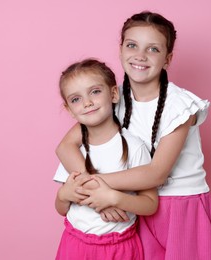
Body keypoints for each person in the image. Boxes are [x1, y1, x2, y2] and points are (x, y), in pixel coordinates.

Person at [56, 11, 211, 260]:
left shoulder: (180, 105)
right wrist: (97, 192)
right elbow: (65, 146)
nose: (140, 55)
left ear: (168, 59)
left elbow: (157, 173)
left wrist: (98, 187)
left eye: (153, 49)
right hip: (136, 207)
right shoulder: (112, 99)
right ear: (121, 49)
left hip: (179, 208)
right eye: (132, 45)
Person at [53, 58, 158, 260]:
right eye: (76, 99)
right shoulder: (76, 151)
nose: (87, 102)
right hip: (74, 244)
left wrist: (114, 198)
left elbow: (150, 204)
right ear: (68, 109)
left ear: (113, 93)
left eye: (95, 91)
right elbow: (61, 209)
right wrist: (63, 195)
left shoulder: (135, 148)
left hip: (119, 248)